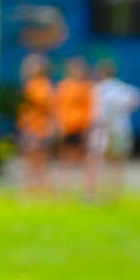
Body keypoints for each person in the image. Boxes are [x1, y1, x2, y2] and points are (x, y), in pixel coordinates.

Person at [89, 58, 140, 201]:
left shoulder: (99, 88)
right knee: (117, 161)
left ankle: (97, 191)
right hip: (121, 128)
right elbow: (137, 98)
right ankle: (115, 191)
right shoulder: (122, 88)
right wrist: (126, 111)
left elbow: (97, 112)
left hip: (104, 129)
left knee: (99, 160)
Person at [17, 53, 56, 193]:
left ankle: (40, 186)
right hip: (30, 127)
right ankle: (32, 186)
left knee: (40, 158)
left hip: (39, 128)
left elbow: (47, 106)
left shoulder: (43, 85)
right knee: (30, 158)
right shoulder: (30, 85)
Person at [54, 57, 94, 187]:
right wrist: (58, 124)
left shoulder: (87, 87)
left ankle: (87, 186)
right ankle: (65, 184)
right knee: (65, 157)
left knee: (84, 157)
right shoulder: (64, 86)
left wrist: (87, 127)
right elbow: (58, 106)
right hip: (67, 126)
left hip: (81, 126)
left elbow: (91, 107)